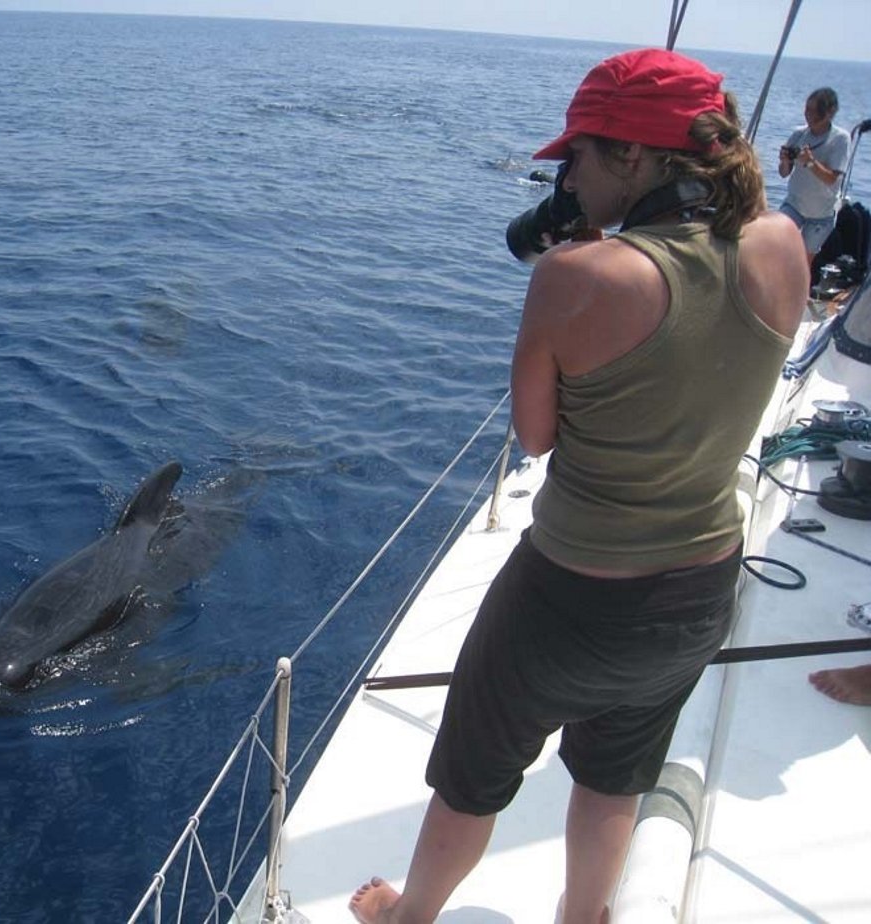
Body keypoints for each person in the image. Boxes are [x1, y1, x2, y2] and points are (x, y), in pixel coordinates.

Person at [350, 48, 809, 924]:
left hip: (568, 598)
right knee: (613, 781)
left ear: (634, 156)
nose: (568, 176)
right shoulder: (783, 242)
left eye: (579, 157)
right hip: (701, 591)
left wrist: (587, 264)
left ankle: (408, 918)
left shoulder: (575, 275)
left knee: (473, 781)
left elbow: (537, 435)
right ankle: (583, 918)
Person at [778, 87, 852, 264]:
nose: (808, 115)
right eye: (807, 109)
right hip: (794, 205)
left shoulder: (840, 139)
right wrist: (785, 160)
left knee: (803, 262)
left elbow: (831, 178)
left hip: (820, 214)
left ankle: (799, 290)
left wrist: (810, 162)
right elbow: (783, 173)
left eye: (813, 111)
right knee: (777, 244)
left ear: (828, 113)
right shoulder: (798, 134)